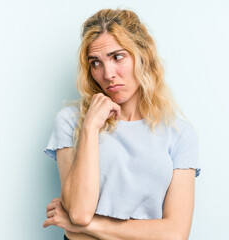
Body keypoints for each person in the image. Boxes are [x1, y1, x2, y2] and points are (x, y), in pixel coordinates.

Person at [42, 8, 201, 240]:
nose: (108, 74)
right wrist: (89, 127)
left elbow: (175, 234)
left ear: (143, 55)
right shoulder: (71, 121)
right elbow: (78, 212)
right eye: (95, 63)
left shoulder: (179, 134)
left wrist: (90, 227)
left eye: (117, 57)